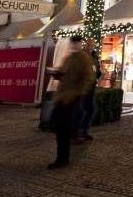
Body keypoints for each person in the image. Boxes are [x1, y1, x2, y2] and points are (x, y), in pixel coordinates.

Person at [48, 35, 95, 169]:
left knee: (63, 127)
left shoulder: (84, 59)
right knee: (59, 126)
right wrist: (56, 73)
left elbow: (89, 78)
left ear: (80, 44)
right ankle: (62, 156)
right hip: (62, 97)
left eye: (76, 43)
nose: (74, 45)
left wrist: (79, 93)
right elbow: (63, 73)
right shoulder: (68, 57)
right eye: (72, 43)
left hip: (71, 98)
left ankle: (62, 157)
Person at [75, 38, 101, 142]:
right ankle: (76, 133)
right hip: (81, 87)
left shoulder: (94, 57)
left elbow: (97, 70)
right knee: (79, 110)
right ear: (85, 45)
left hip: (91, 86)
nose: (90, 46)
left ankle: (84, 131)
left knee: (90, 109)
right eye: (88, 45)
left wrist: (98, 76)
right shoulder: (81, 56)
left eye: (92, 45)